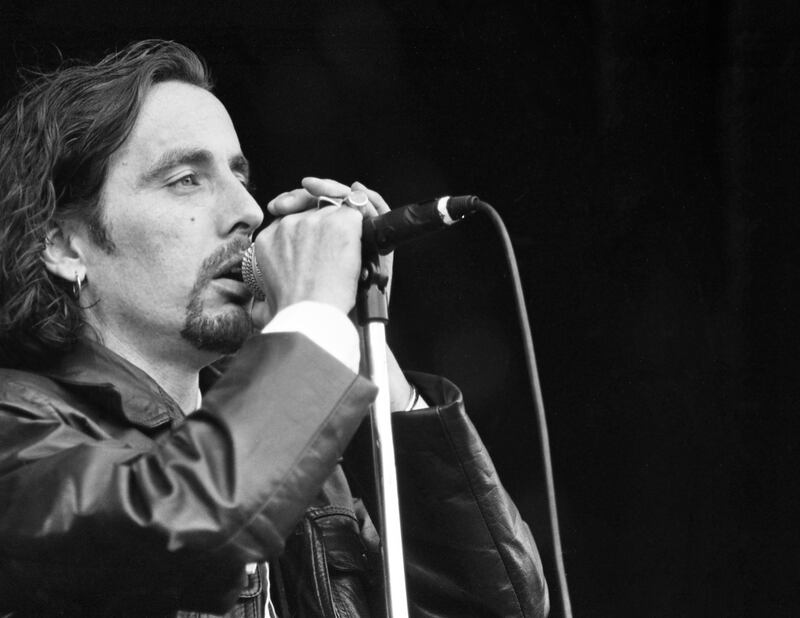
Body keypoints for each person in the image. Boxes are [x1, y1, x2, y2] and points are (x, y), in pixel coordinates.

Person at [0, 40, 548, 617]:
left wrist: (364, 343)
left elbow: (496, 607)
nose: (249, 211)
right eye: (186, 179)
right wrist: (308, 323)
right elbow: (188, 524)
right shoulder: (20, 432)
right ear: (63, 244)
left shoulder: (297, 453)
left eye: (241, 177)